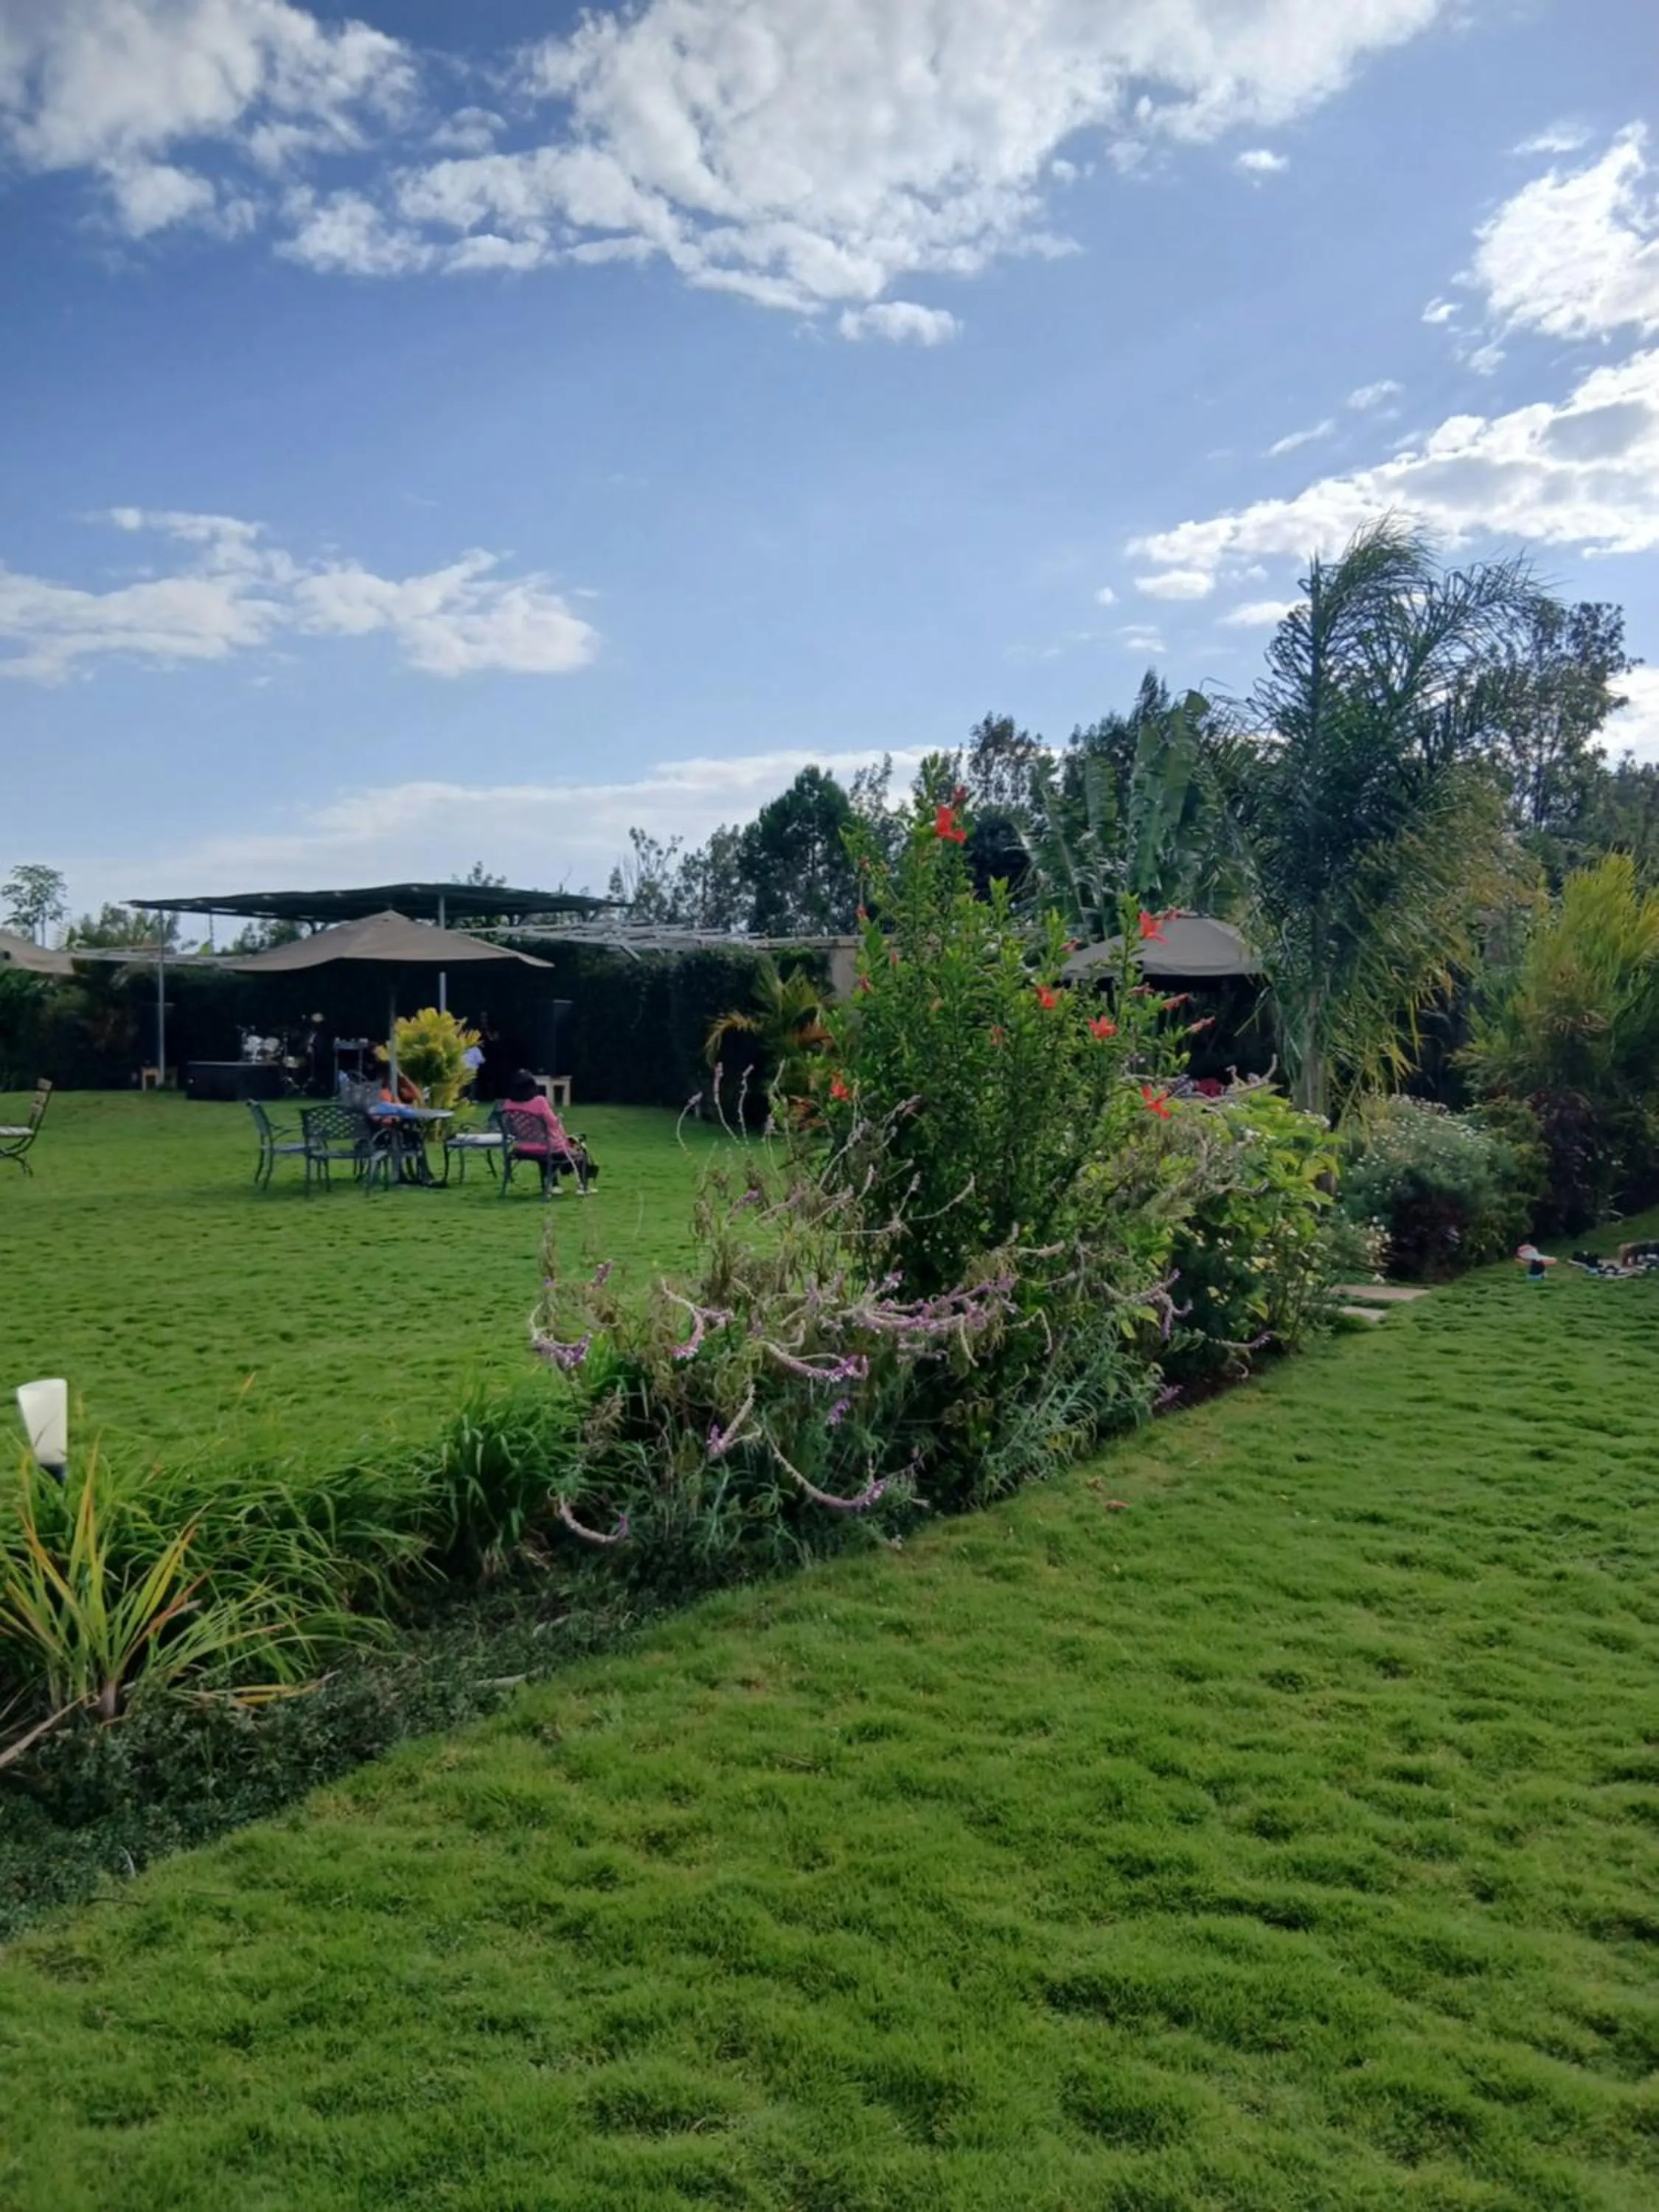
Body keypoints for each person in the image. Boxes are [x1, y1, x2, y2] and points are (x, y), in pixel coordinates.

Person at [504, 1069, 591, 1194]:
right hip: (546, 1147)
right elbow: (553, 1125)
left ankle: (553, 1186)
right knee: (579, 1152)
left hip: (522, 1147)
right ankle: (583, 1187)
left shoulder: (508, 1104)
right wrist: (559, 1118)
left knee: (547, 1154)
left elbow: (510, 1128)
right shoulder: (539, 1101)